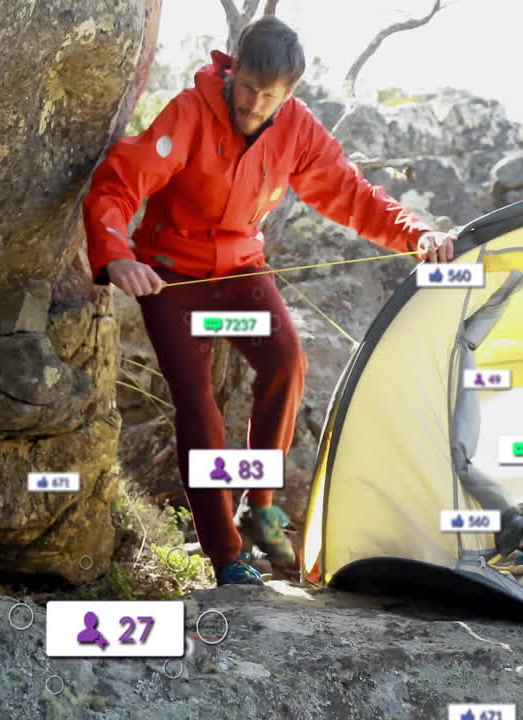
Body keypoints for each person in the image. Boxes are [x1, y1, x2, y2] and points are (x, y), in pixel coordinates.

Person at [83, 16, 455, 586]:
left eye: (271, 95)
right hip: (171, 277)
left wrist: (416, 234)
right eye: (249, 88)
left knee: (286, 362)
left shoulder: (298, 129)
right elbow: (118, 183)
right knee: (198, 403)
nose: (255, 104)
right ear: (233, 70)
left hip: (240, 272)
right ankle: (226, 556)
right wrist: (115, 255)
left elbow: (354, 194)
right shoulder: (188, 113)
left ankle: (261, 507)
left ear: (290, 93)